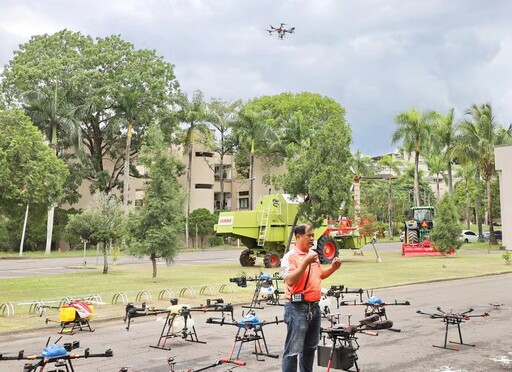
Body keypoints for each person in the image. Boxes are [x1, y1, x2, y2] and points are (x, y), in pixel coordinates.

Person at [280, 224, 342, 372]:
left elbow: (319, 275)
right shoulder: (290, 257)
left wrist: (333, 268)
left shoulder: (312, 254)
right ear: (298, 237)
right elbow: (289, 280)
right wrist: (305, 262)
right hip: (297, 308)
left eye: (313, 235)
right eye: (309, 235)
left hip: (314, 307)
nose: (312, 239)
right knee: (293, 350)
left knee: (310, 348)